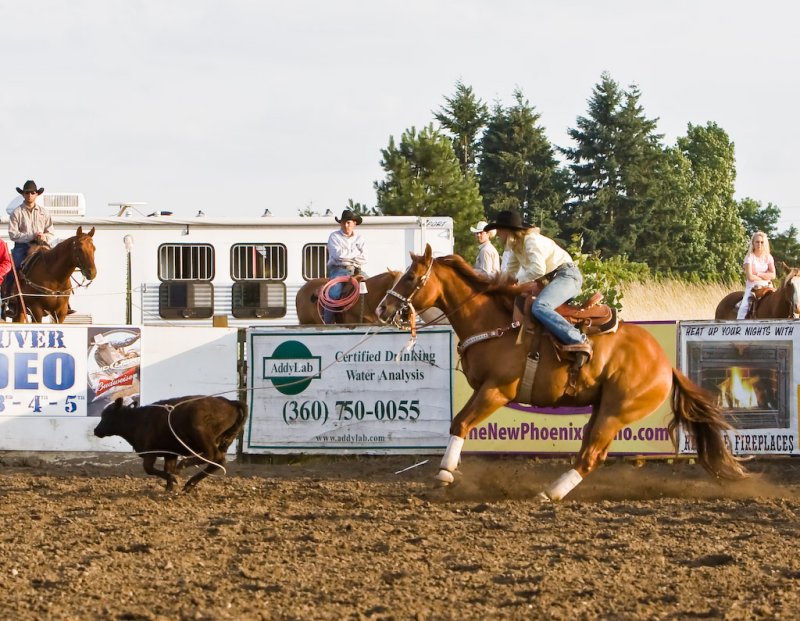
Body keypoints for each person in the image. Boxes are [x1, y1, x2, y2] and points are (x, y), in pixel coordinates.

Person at [485, 209, 592, 358]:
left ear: (508, 231)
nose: (498, 235)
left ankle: (578, 339)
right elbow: (510, 272)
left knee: (540, 306)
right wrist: (497, 287)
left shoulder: (530, 240)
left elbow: (538, 268)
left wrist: (519, 284)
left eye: (500, 230)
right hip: (554, 278)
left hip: (566, 275)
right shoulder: (516, 246)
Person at [324, 209, 367, 324]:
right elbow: (338, 256)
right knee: (333, 294)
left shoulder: (360, 238)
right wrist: (355, 253)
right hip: (339, 270)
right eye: (344, 222)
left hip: (357, 270)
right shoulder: (334, 237)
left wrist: (348, 255)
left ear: (354, 224)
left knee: (370, 287)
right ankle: (327, 323)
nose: (346, 225)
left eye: (349, 222)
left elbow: (364, 257)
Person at [737, 231, 776, 320]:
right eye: (757, 242)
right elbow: (750, 277)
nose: (759, 244)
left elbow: (773, 275)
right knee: (743, 308)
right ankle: (739, 325)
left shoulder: (768, 257)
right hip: (752, 287)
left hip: (767, 286)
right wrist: (765, 276)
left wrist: (758, 274)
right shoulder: (749, 257)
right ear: (753, 243)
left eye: (762, 242)